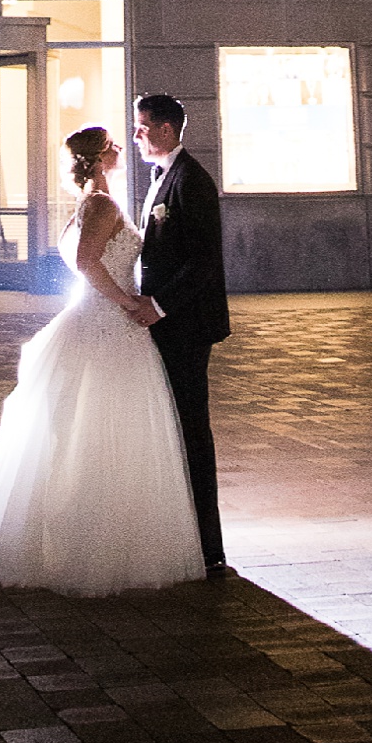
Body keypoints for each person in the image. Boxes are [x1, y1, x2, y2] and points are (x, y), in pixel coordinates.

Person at [0, 124, 205, 594]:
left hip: (90, 322)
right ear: (99, 158)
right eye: (111, 145)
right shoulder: (100, 204)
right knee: (104, 429)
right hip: (108, 324)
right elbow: (86, 261)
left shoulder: (88, 203)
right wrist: (127, 302)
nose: (120, 147)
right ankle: (97, 540)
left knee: (78, 429)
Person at [132, 92, 232, 577]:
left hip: (186, 326)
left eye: (143, 126)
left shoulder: (193, 182)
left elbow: (205, 262)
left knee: (192, 429)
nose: (136, 135)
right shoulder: (159, 177)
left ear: (167, 129)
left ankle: (209, 548)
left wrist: (158, 304)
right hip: (164, 323)